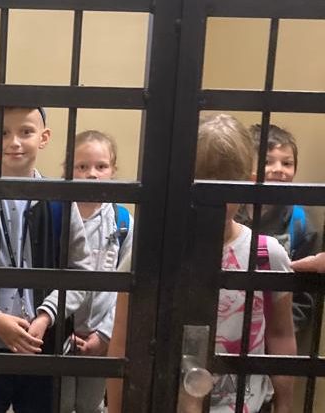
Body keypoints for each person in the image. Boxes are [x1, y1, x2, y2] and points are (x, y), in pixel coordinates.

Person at [107, 114, 296, 413]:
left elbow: (280, 336)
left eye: (223, 191)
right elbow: (123, 343)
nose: (211, 203)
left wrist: (284, 405)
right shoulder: (150, 257)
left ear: (247, 185)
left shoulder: (266, 255)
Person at [0, 105, 93, 412]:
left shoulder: (61, 200)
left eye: (26, 132)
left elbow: (81, 270)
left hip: (45, 347)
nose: (14, 142)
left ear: (44, 137)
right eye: (3, 133)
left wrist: (47, 315)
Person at [60, 130, 134, 413]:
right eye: (82, 166)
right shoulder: (57, 215)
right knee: (60, 403)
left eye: (101, 166)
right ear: (68, 170)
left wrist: (104, 335)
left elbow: (127, 288)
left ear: (113, 170)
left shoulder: (123, 222)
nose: (92, 174)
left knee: (90, 405)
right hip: (60, 334)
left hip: (102, 335)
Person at [236, 124, 320, 332]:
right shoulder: (230, 211)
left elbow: (306, 293)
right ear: (246, 167)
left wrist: (280, 330)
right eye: (266, 162)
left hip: (275, 329)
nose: (279, 169)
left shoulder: (301, 223)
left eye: (287, 163)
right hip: (229, 321)